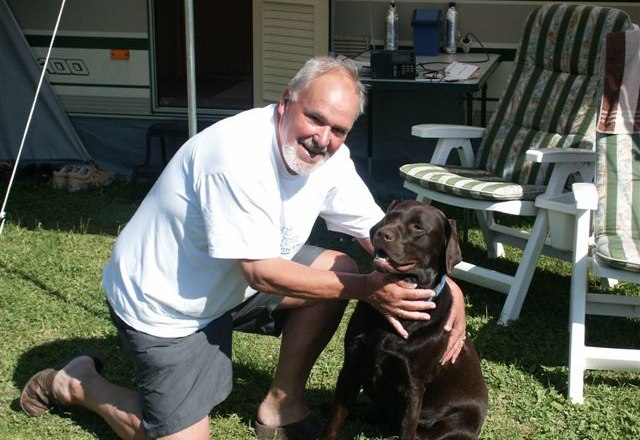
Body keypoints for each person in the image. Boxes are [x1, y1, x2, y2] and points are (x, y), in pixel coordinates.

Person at [20, 56, 467, 440]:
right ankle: (78, 384)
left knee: (339, 264)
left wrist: (448, 285)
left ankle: (282, 404)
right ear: (285, 102)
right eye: (314, 118)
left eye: (338, 129)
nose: (323, 138)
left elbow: (376, 231)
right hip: (168, 307)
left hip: (233, 284)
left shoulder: (329, 156)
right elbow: (261, 272)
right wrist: (367, 287)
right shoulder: (235, 157)